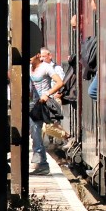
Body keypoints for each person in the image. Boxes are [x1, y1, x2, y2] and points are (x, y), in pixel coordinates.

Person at [29, 47, 64, 175]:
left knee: (36, 131)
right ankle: (40, 161)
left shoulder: (46, 67)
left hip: (40, 104)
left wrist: (47, 94)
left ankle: (42, 163)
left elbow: (60, 82)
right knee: (33, 132)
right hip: (30, 103)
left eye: (31, 57)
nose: (29, 59)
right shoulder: (29, 68)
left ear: (38, 56)